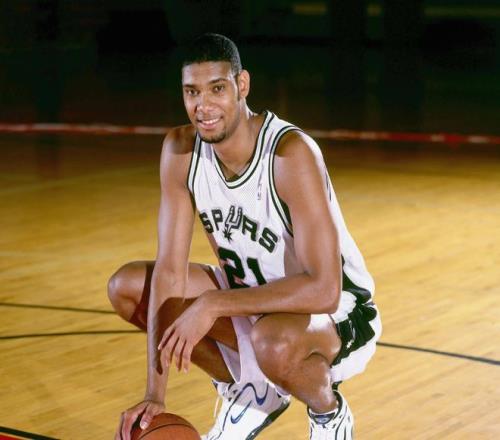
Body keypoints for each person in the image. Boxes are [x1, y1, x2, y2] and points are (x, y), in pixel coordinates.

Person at [109, 33, 382, 440]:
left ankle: (328, 413)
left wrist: (214, 303)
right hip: (251, 300)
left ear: (242, 85)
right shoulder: (180, 151)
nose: (203, 106)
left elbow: (325, 289)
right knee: (129, 288)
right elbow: (169, 272)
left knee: (270, 341)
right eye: (192, 92)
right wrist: (154, 394)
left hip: (337, 314)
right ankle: (252, 390)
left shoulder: (290, 154)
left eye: (217, 89)